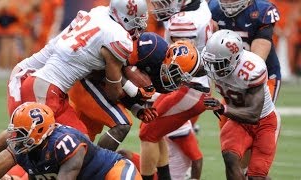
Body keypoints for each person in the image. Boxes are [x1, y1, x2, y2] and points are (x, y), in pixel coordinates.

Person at [0, 0, 148, 173]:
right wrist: (136, 93)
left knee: (77, 141)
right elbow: (114, 93)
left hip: (38, 78)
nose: (140, 24)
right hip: (44, 84)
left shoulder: (100, 13)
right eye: (137, 19)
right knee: (30, 143)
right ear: (126, 17)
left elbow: (90, 67)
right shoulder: (119, 37)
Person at [139, 0, 213, 179]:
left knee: (147, 133)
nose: (159, 6)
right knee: (152, 129)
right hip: (193, 86)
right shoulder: (200, 7)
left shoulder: (183, 21)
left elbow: (180, 62)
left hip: (189, 87)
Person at [208, 0, 282, 175]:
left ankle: (254, 171)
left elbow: (256, 61)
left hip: (260, 78)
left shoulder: (261, 11)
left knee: (253, 123)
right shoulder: (213, 8)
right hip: (229, 77)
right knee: (230, 137)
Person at [0, 102, 142, 180]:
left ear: (39, 132)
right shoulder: (26, 146)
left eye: (22, 133)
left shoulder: (64, 142)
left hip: (112, 171)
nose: (17, 139)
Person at [67, 32, 164, 151]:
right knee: (122, 123)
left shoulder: (128, 38)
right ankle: (98, 165)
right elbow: (102, 73)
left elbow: (115, 86)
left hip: (92, 83)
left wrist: (135, 107)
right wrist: (132, 90)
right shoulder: (117, 36)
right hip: (87, 79)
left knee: (78, 143)